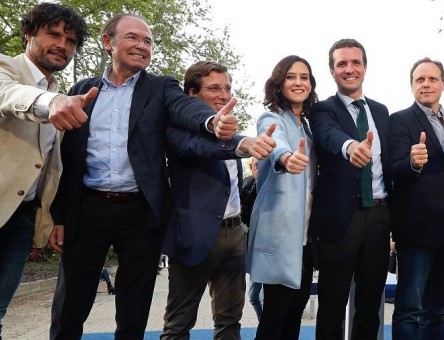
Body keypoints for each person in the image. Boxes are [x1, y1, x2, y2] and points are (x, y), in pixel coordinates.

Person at [47, 14, 272, 339]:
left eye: (148, 41)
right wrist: (60, 216)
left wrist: (214, 124)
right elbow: (70, 160)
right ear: (107, 41)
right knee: (69, 308)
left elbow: (187, 110)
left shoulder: (160, 88)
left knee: (133, 310)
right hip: (88, 211)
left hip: (141, 215)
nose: (142, 46)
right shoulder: (82, 91)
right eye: (133, 38)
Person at [161, 61, 274, 339]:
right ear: (191, 94)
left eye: (227, 88)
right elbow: (204, 147)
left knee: (229, 323)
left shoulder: (229, 133)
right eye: (213, 88)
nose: (223, 95)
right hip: (194, 238)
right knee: (178, 326)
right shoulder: (176, 131)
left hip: (234, 236)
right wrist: (242, 143)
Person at [0, 3, 88, 337]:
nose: (62, 45)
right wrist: (50, 104)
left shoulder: (61, 94)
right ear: (28, 34)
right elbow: (8, 95)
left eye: (71, 40)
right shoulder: (6, 68)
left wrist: (48, 221)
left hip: (21, 221)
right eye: (53, 34)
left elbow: (51, 168)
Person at [309, 38, 391, 339]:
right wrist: (349, 145)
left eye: (355, 62)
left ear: (365, 68)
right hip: (341, 220)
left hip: (380, 218)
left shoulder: (381, 112)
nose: (349, 68)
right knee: (332, 307)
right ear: (332, 71)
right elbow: (328, 135)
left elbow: (391, 164)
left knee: (370, 309)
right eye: (341, 63)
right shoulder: (321, 110)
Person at [388, 57, 444, 339]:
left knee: (440, 307)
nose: (426, 84)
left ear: (443, 84)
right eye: (420, 79)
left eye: (432, 79)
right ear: (412, 86)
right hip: (417, 226)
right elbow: (393, 170)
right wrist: (413, 163)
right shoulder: (399, 120)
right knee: (410, 307)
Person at [247, 55, 318, 339]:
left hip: (306, 237)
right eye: (291, 76)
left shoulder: (308, 125)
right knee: (275, 313)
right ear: (279, 82)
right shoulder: (271, 118)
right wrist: (286, 158)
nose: (298, 82)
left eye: (304, 77)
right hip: (280, 232)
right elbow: (274, 143)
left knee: (295, 312)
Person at [240, 157, 263, 320]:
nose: (257, 165)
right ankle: (265, 325)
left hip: (270, 247)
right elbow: (244, 213)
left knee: (266, 297)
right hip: (254, 246)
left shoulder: (273, 182)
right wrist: (255, 181)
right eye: (255, 163)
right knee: (253, 296)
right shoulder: (247, 183)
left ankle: (266, 330)